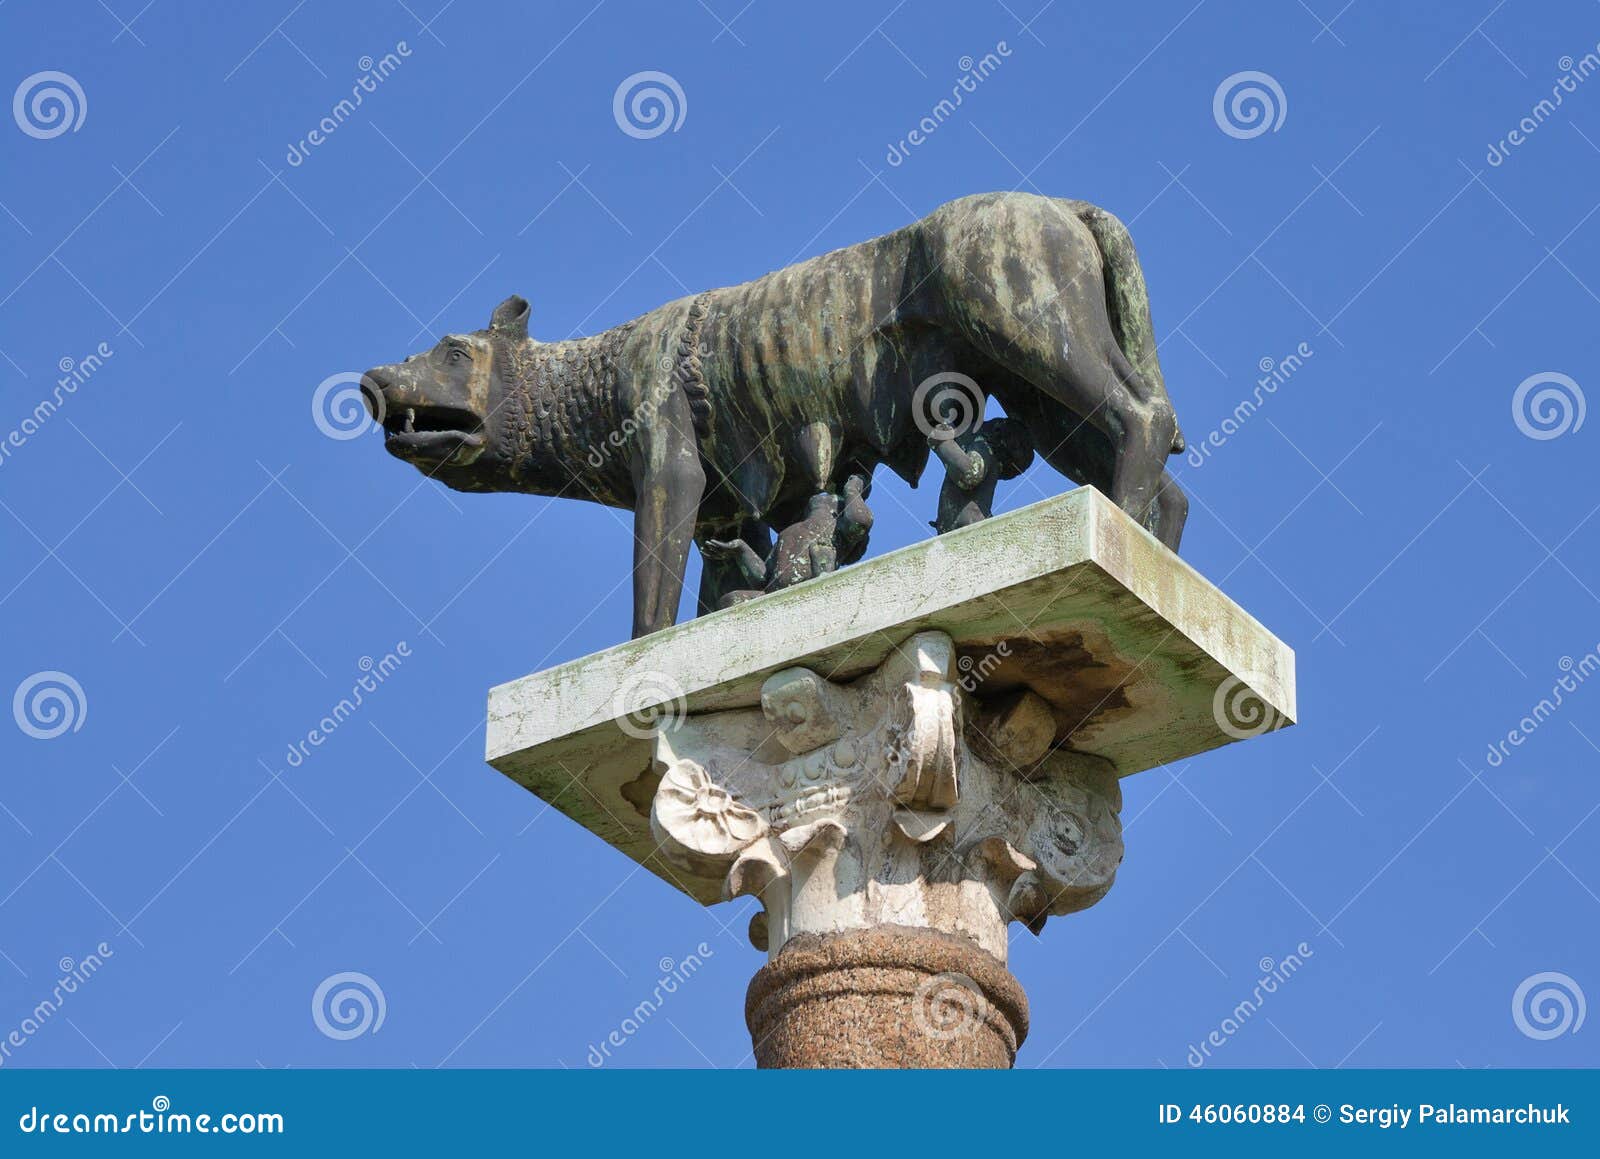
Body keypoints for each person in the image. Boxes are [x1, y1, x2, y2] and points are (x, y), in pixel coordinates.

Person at [928, 418, 1035, 533]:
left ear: (996, 433)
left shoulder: (984, 446)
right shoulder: (993, 461)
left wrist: (942, 441)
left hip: (970, 531)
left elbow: (970, 473)